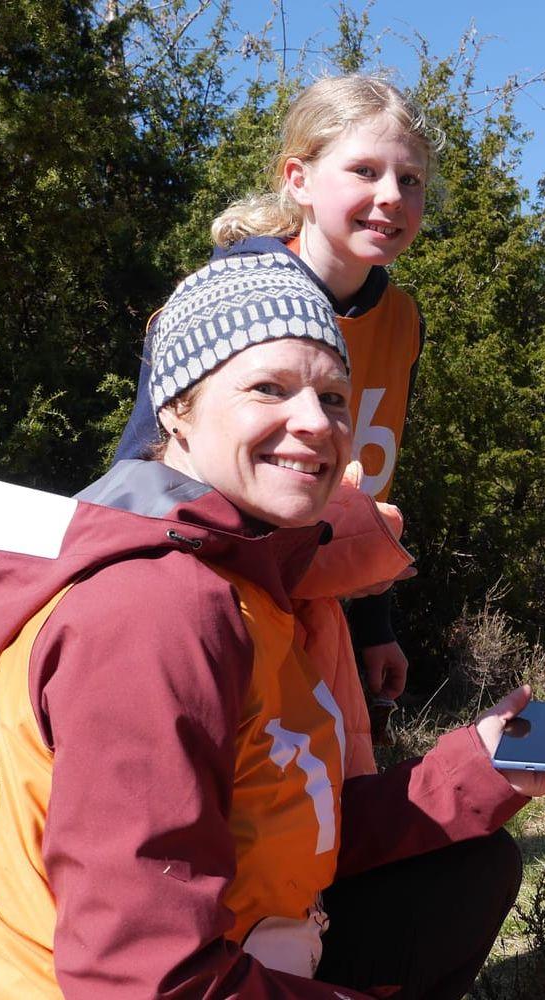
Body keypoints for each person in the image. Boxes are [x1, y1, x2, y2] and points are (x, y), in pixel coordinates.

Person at [0, 255, 545, 999]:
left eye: (335, 397)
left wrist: (479, 766)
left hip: (226, 949)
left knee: (468, 868)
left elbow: (286, 816)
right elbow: (139, 981)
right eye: (269, 388)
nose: (316, 424)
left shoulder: (245, 579)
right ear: (176, 409)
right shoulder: (154, 609)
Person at [116, 74, 432, 769]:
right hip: (211, 602)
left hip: (317, 606)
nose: (391, 196)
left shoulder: (402, 322)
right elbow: (141, 463)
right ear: (299, 179)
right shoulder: (234, 299)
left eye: (410, 179)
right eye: (364, 170)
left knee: (319, 818)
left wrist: (375, 623)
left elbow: (363, 484)